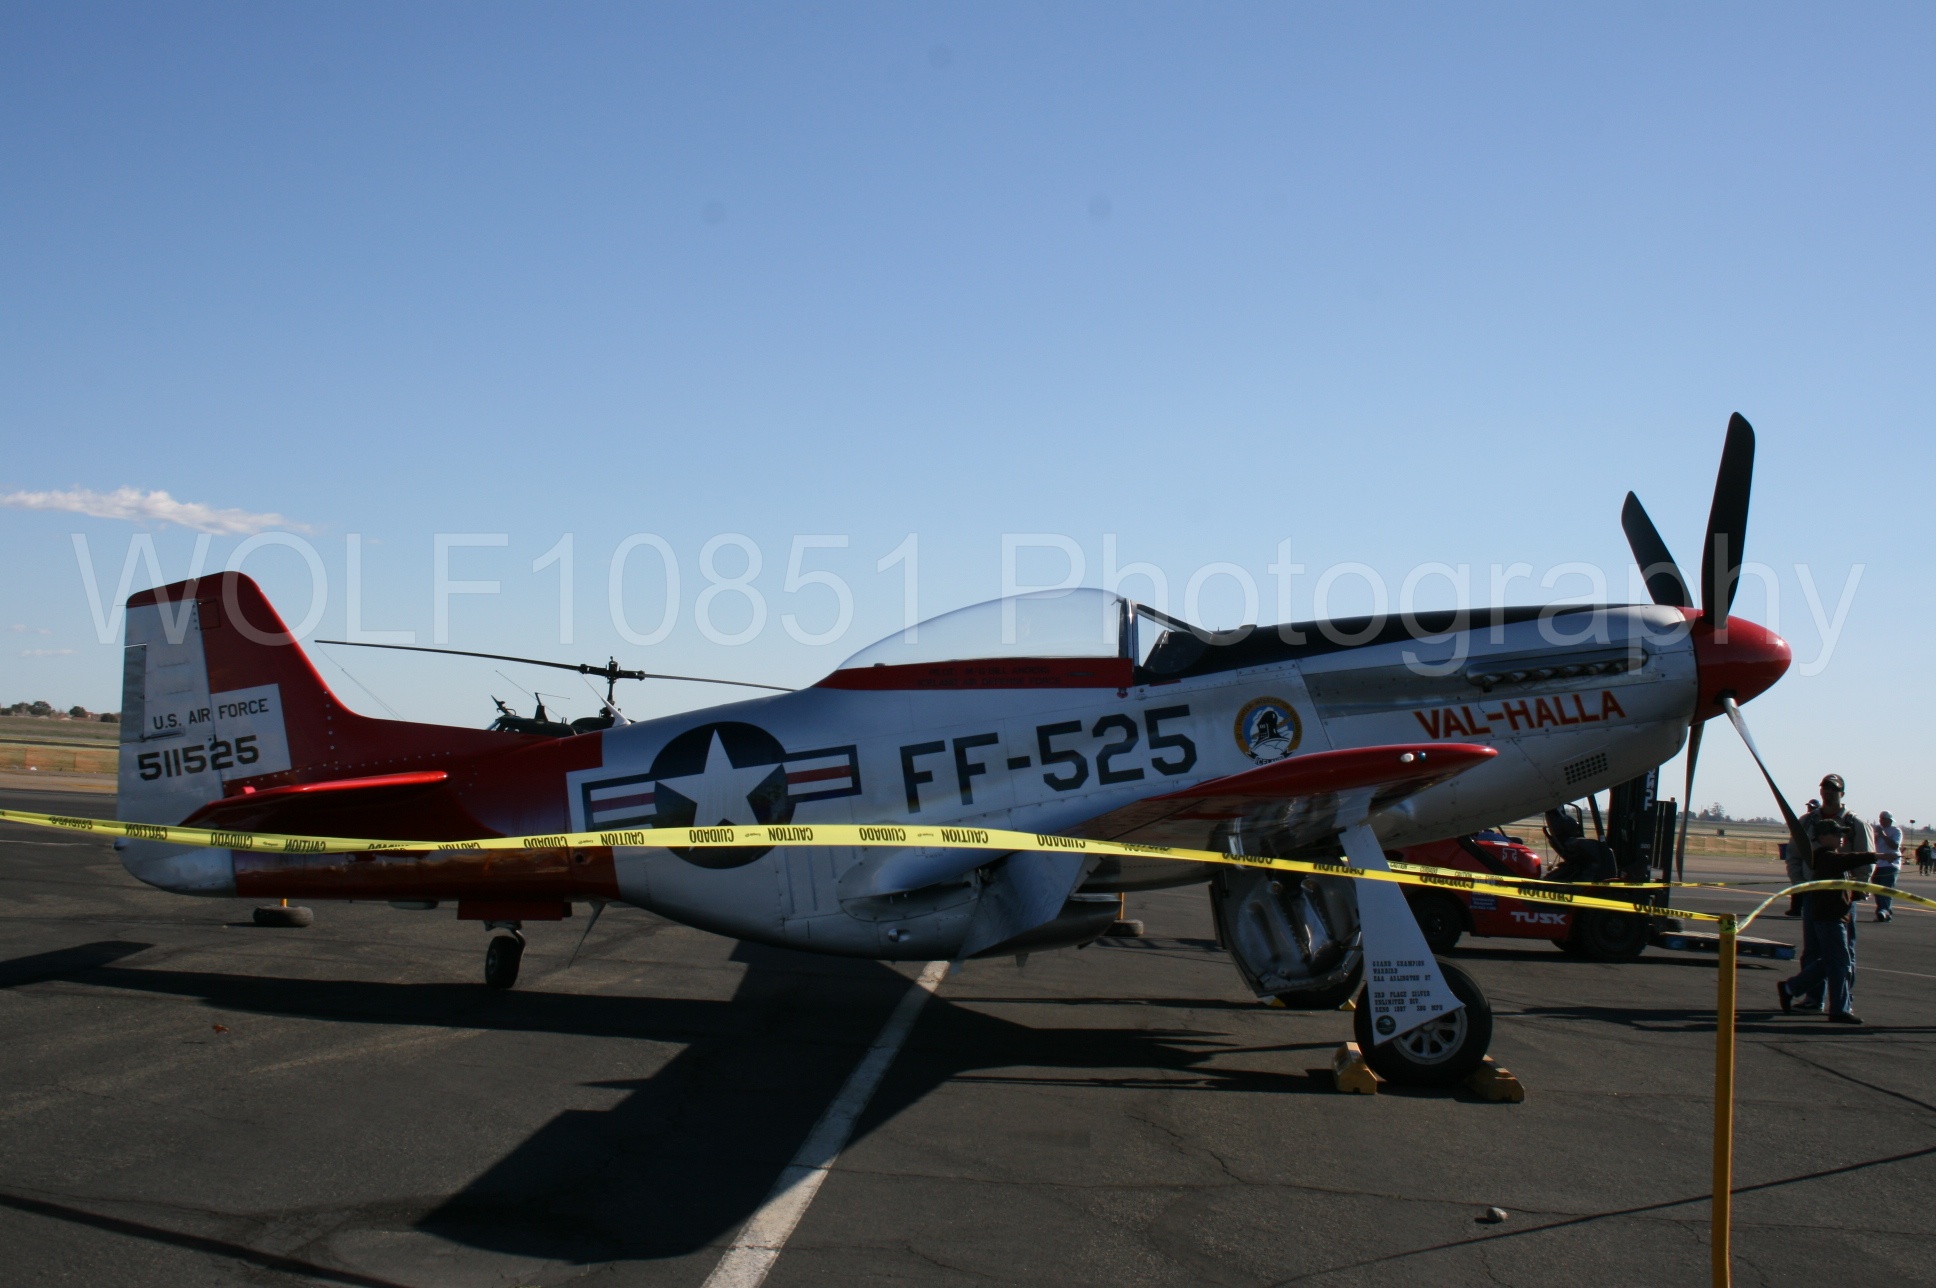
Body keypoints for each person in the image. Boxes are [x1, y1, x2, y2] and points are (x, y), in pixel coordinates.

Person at [1778, 774, 1872, 1023]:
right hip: (1813, 895)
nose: (1828, 792)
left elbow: (1863, 858)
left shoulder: (1855, 823)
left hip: (1843, 898)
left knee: (1843, 954)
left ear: (1842, 792)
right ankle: (1812, 999)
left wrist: (1859, 889)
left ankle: (1840, 1003)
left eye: (1833, 789)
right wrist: (1798, 886)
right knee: (1815, 952)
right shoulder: (1807, 822)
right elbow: (1794, 855)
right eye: (1824, 788)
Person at [1783, 798, 1820, 918]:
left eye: (1813, 807)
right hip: (1804, 860)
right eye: (1809, 806)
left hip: (1816, 861)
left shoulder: (1819, 820)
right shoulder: (1805, 820)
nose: (1810, 809)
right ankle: (1796, 908)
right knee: (1798, 884)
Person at [1871, 811, 1903, 921]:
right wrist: (1875, 836)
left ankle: (1883, 911)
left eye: (1885, 819)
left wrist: (1883, 835)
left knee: (1886, 888)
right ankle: (1884, 911)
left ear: (1889, 820)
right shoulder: (1876, 829)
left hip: (1891, 864)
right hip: (1878, 864)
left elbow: (1894, 846)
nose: (1882, 821)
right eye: (1881, 819)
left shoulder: (1896, 831)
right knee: (1877, 889)